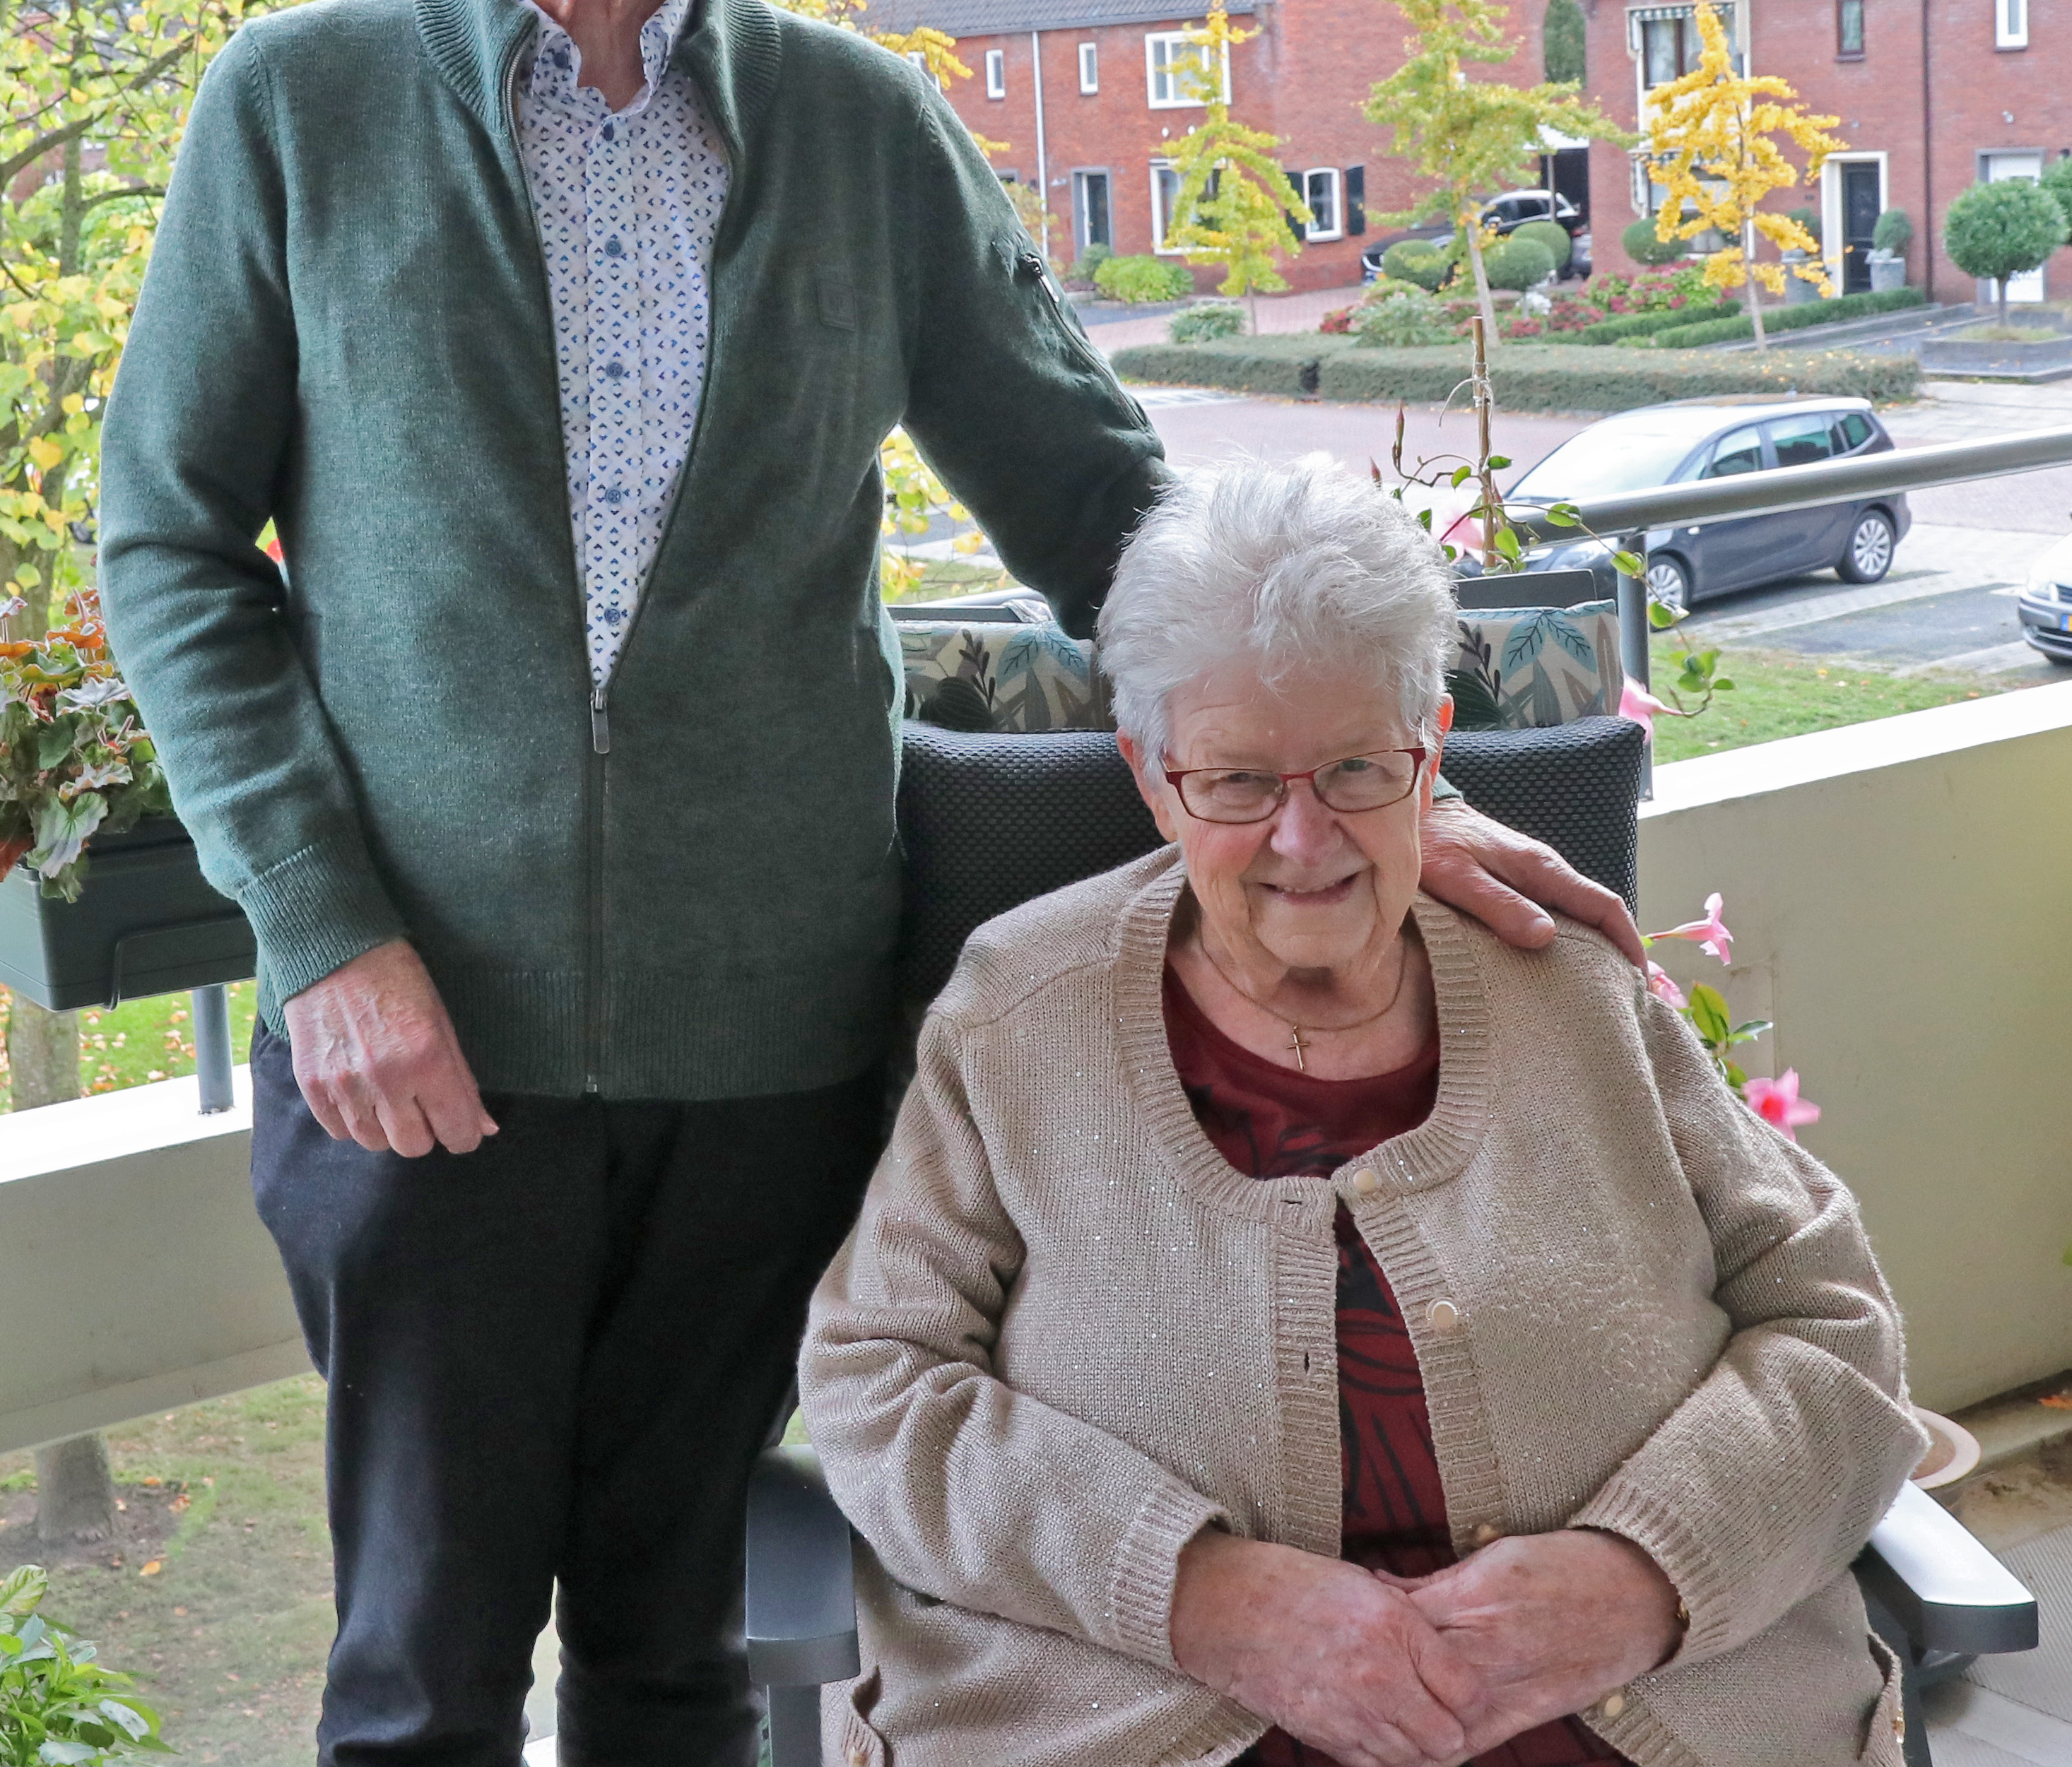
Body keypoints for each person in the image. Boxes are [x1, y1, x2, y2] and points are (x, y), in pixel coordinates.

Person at [95, 0, 1642, 1767]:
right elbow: (165, 542)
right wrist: (322, 930)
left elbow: (1108, 518)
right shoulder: (297, 111)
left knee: (681, 1646)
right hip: (411, 1052)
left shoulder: (854, 128)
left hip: (776, 1047)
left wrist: (1394, 778)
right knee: (414, 1671)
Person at [801, 456, 1921, 1767]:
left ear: (1430, 751)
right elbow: (878, 1379)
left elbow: (1830, 1319)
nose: (1303, 837)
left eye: (1354, 770)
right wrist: (1196, 1595)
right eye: (1235, 782)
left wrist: (1647, 1574)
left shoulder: (1572, 988)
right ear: (1153, 778)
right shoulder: (1017, 1014)